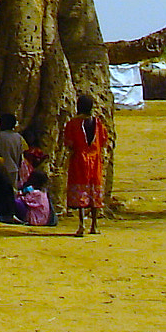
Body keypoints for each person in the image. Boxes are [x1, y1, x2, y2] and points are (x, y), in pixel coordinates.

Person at [61, 92, 109, 237]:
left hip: (79, 161)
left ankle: (81, 225)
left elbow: (69, 143)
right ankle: (94, 225)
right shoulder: (98, 123)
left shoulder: (72, 124)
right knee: (94, 191)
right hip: (95, 162)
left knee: (82, 193)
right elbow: (104, 140)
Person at [0, 109, 27, 223]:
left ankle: (1, 213)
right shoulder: (18, 137)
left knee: (0, 192)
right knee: (12, 193)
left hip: (0, 169)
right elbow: (20, 156)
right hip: (13, 168)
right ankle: (12, 213)